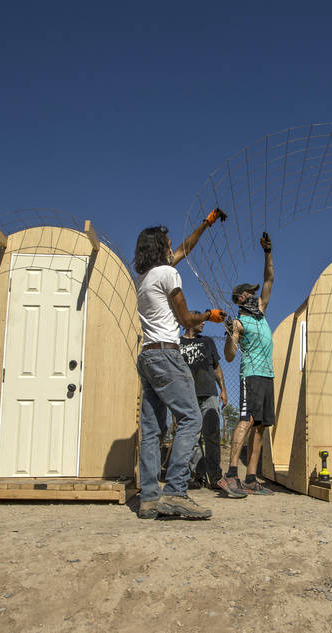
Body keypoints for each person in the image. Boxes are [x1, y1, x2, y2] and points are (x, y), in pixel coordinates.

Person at [132, 208, 227, 519]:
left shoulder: (145, 279)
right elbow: (185, 319)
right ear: (160, 247)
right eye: (167, 242)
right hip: (167, 354)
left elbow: (186, 247)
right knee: (190, 419)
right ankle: (175, 492)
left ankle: (148, 498)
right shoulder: (168, 275)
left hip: (147, 356)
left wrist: (206, 223)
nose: (173, 245)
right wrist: (209, 316)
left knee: (151, 428)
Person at [220, 231, 277, 496]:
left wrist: (267, 252)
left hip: (267, 376)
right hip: (251, 375)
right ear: (241, 298)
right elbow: (230, 356)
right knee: (246, 420)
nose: (256, 295)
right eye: (250, 293)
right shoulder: (239, 322)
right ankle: (231, 475)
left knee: (261, 427)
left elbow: (269, 278)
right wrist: (231, 335)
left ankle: (251, 478)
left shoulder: (262, 313)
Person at [179, 320, 240, 496]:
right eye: (200, 320)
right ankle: (198, 476)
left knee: (212, 434)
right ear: (189, 322)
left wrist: (223, 389)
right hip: (187, 395)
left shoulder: (207, 341)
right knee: (192, 436)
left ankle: (214, 476)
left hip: (209, 394)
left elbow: (216, 367)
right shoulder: (177, 343)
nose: (204, 323)